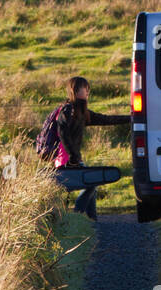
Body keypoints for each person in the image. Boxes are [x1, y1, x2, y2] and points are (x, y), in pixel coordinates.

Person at [54, 76, 129, 220]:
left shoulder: (81, 111)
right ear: (75, 91)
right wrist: (73, 156)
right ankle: (78, 216)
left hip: (72, 159)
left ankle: (91, 221)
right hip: (66, 160)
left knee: (91, 186)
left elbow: (106, 119)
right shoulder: (68, 110)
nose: (88, 91)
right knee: (91, 184)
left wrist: (132, 118)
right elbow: (61, 131)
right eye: (85, 88)